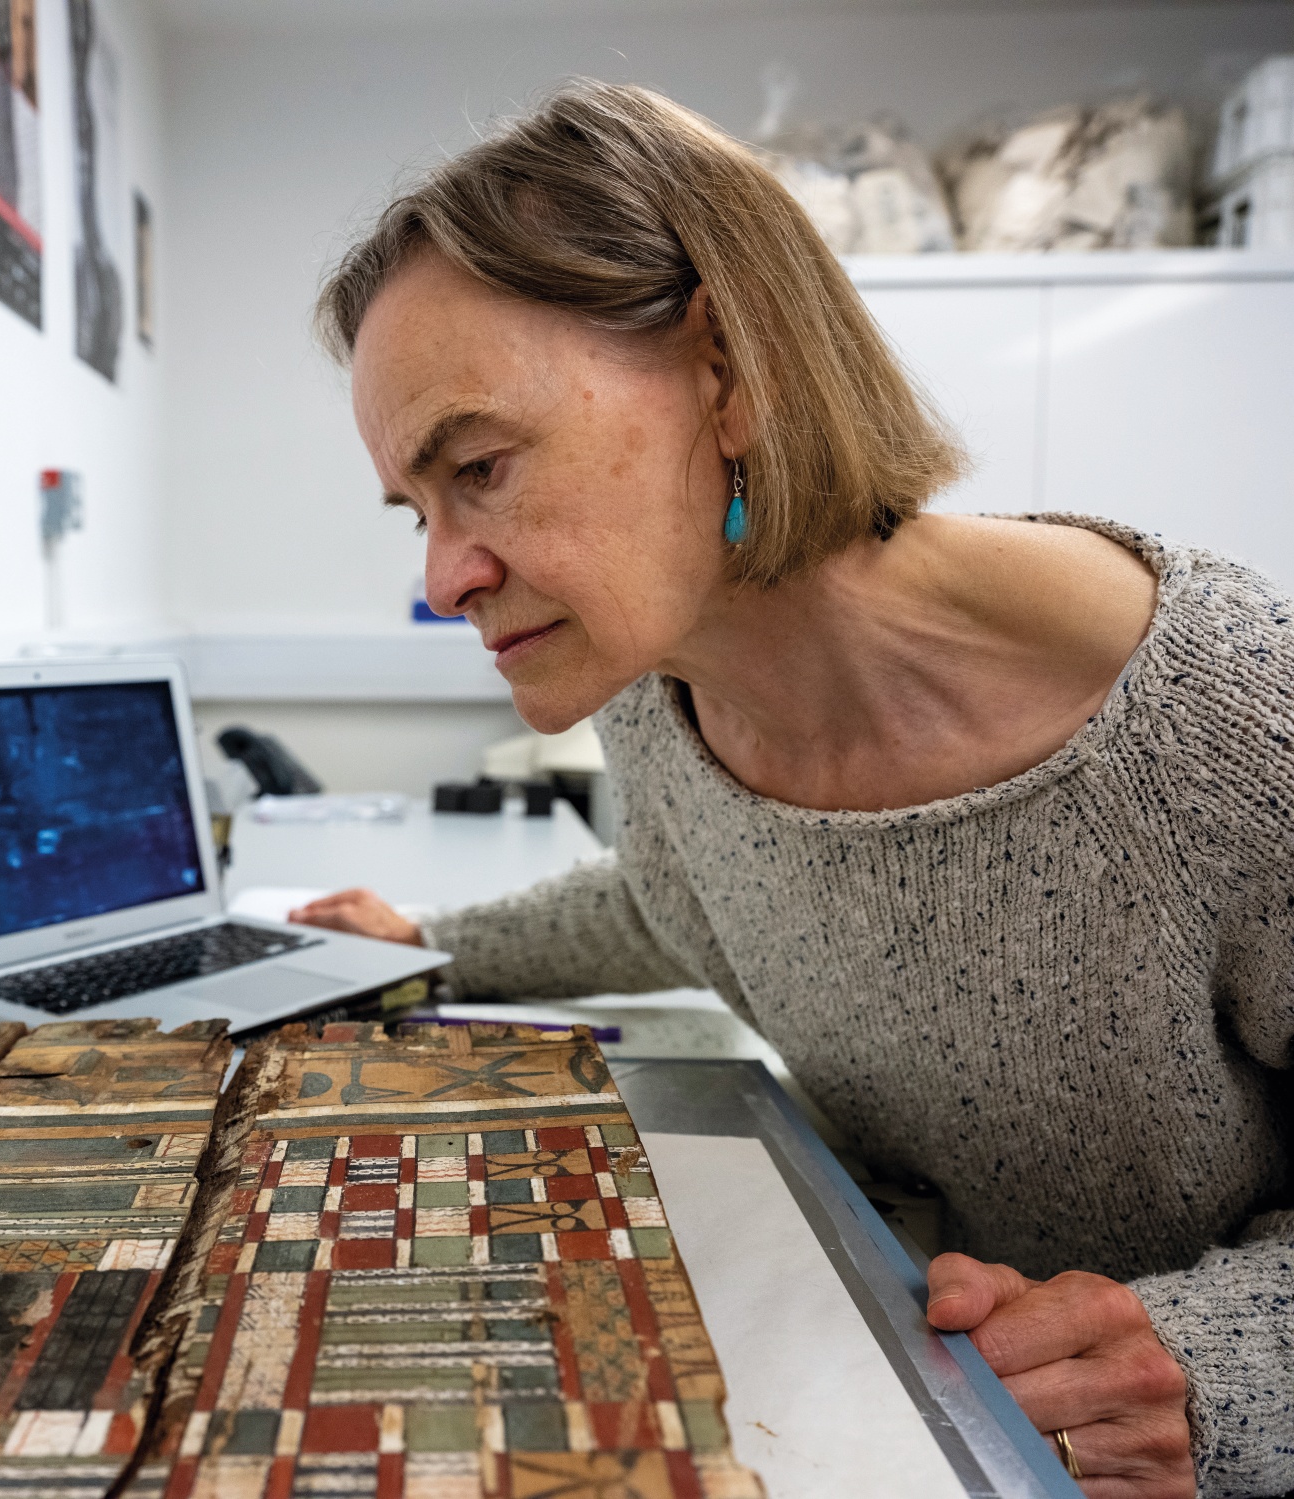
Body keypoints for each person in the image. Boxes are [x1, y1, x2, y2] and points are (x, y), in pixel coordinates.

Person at [289, 80, 1292, 1499]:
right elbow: (679, 894)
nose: (443, 574)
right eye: (420, 508)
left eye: (484, 468)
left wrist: (1214, 1366)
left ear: (729, 371)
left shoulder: (1233, 727)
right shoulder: (661, 688)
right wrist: (426, 950)